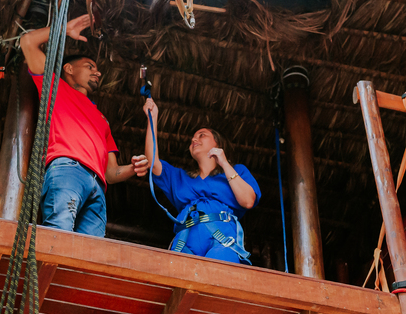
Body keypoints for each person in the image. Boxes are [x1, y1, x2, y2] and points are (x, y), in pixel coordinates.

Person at [19, 14, 148, 237]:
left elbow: (111, 172)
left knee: (89, 252)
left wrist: (133, 169)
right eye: (90, 66)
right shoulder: (55, 88)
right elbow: (27, 42)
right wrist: (64, 28)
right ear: (68, 69)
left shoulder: (102, 119)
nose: (97, 73)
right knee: (58, 234)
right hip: (67, 169)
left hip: (98, 185)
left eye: (97, 70)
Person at [141, 97, 261, 263]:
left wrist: (224, 163)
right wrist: (152, 118)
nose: (194, 140)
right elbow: (153, 163)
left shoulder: (237, 171)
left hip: (222, 242)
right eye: (192, 139)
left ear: (217, 143)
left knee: (219, 274)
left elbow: (248, 201)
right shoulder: (180, 177)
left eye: (201, 135)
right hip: (185, 243)